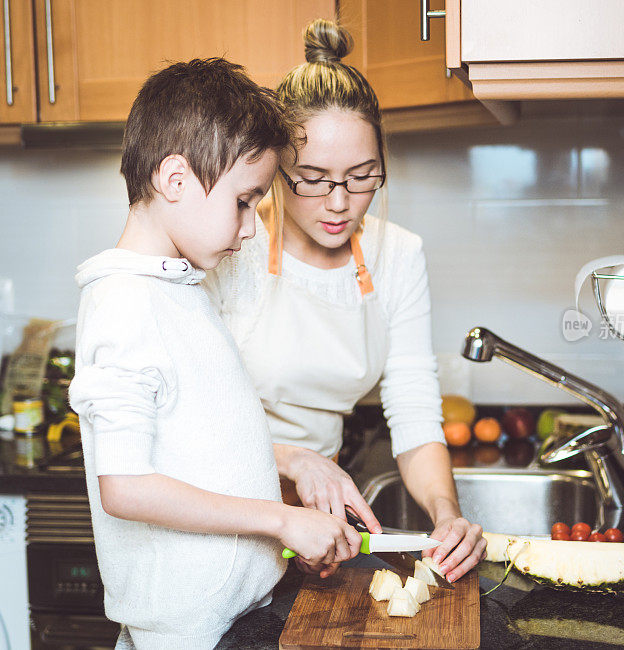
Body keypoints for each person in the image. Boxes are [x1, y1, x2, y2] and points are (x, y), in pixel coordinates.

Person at [68, 58, 362, 650]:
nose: (252, 227)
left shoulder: (179, 287)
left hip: (234, 616)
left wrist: (290, 461)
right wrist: (281, 519)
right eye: (245, 201)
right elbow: (125, 487)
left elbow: (194, 437)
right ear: (175, 180)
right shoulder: (126, 303)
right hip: (188, 633)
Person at [203, 20, 486, 584]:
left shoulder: (399, 255)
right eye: (312, 178)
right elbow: (191, 417)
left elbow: (411, 406)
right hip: (223, 503)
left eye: (361, 178)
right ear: (276, 170)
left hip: (319, 515)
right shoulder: (230, 246)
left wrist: (446, 515)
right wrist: (293, 459)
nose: (339, 203)